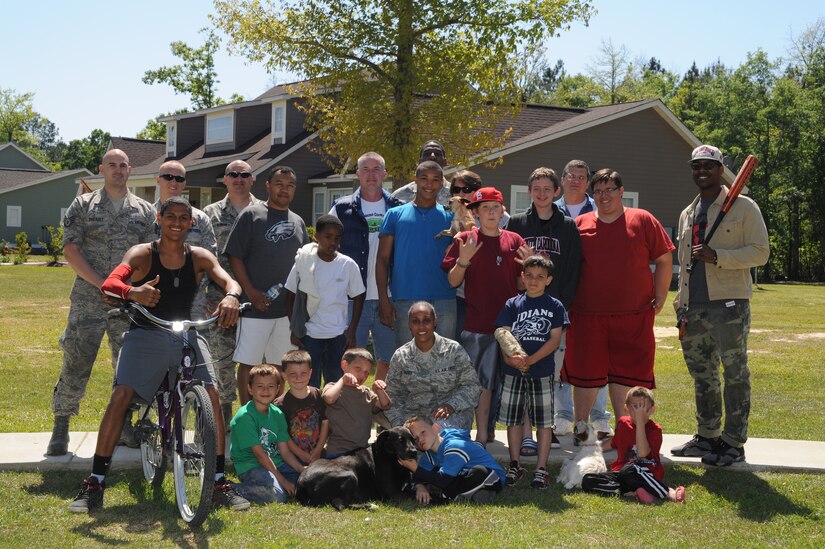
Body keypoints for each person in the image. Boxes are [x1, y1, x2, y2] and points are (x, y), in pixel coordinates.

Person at [68, 196, 248, 513]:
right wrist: (133, 291)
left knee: (212, 394)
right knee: (121, 394)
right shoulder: (142, 253)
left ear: (191, 222)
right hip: (145, 331)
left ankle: (218, 481)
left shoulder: (200, 256)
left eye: (183, 217)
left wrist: (232, 296)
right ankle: (94, 482)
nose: (177, 223)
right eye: (170, 217)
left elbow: (227, 278)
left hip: (189, 331)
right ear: (159, 218)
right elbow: (111, 283)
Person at [48, 149, 156, 456]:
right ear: (102, 169)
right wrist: (104, 284)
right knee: (76, 361)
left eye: (123, 165)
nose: (118, 170)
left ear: (130, 170)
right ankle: (61, 426)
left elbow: (150, 256)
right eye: (112, 165)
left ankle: (123, 426)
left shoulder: (145, 211)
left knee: (128, 367)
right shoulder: (82, 205)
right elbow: (71, 250)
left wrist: (129, 288)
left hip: (129, 304)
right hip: (88, 299)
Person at [670, 145, 769, 466]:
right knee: (703, 374)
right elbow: (685, 263)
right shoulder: (688, 212)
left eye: (708, 166)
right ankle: (707, 435)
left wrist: (719, 257)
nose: (702, 171)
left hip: (728, 305)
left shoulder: (743, 207)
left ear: (720, 169)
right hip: (693, 307)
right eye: (696, 166)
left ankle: (733, 442)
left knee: (735, 372)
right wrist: (680, 302)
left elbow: (760, 252)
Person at [562, 169, 674, 439]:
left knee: (628, 374)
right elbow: (568, 267)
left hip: (633, 315)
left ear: (622, 191)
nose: (604, 196)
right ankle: (580, 425)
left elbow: (663, 258)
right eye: (598, 191)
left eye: (610, 189)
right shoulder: (580, 224)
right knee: (586, 373)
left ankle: (627, 431)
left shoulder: (643, 219)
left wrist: (661, 294)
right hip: (588, 315)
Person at [442, 187, 527, 446]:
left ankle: (525, 436)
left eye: (496, 207)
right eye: (485, 208)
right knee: (483, 383)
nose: (491, 212)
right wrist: (463, 261)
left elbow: (523, 285)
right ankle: (480, 434)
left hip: (510, 324)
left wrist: (531, 266)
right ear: (475, 212)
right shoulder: (465, 239)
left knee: (517, 380)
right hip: (478, 323)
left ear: (503, 211)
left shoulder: (514, 240)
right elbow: (452, 281)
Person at [505, 167, 581, 453]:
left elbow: (573, 270)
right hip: (523, 310)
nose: (541, 194)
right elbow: (511, 267)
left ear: (556, 191)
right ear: (529, 191)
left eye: (547, 189)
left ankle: (545, 431)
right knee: (523, 369)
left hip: (554, 311)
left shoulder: (568, 226)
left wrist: (564, 308)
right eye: (536, 189)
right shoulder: (517, 223)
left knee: (549, 374)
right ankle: (525, 433)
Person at [224, 166, 309, 403]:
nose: (285, 189)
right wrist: (251, 293)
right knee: (249, 364)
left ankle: (274, 420)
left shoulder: (298, 222)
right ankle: (246, 419)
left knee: (280, 366)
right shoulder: (252, 215)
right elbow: (234, 257)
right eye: (280, 184)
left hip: (286, 311)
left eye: (290, 185)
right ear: (268, 186)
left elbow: (304, 265)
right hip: (254, 309)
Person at [495, 255, 568, 489]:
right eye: (529, 276)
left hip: (542, 370)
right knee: (513, 420)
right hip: (514, 372)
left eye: (540, 277)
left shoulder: (555, 305)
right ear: (522, 277)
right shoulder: (512, 304)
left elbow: (554, 340)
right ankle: (515, 464)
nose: (534, 280)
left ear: (549, 280)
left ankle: (541, 468)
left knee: (544, 422)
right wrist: (511, 359)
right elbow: (503, 335)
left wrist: (531, 360)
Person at [329, 152, 402, 381]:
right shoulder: (341, 209)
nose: (371, 175)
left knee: (389, 358)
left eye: (376, 169)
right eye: (366, 169)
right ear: (358, 173)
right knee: (350, 357)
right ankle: (351, 407)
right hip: (352, 298)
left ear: (384, 174)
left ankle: (377, 405)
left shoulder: (398, 209)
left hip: (388, 296)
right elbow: (327, 248)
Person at [203, 160, 265, 427]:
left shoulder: (266, 210)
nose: (239, 179)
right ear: (225, 180)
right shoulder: (209, 214)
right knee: (221, 359)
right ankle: (224, 414)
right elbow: (201, 256)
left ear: (252, 179)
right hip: (220, 300)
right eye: (233, 175)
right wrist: (203, 295)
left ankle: (256, 415)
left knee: (257, 361)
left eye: (245, 175)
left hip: (259, 300)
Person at [554, 160, 612, 439]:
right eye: (570, 176)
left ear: (587, 182)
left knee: (597, 357)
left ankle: (600, 417)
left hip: (594, 296)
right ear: (562, 180)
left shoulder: (600, 208)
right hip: (561, 296)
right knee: (562, 356)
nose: (575, 181)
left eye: (581, 177)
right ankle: (563, 415)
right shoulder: (552, 210)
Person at [377, 161, 456, 347]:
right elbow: (382, 260)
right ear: (415, 180)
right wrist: (383, 300)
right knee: (407, 361)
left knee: (445, 360)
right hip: (405, 297)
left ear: (442, 183)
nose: (429, 184)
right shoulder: (394, 214)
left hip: (444, 298)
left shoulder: (450, 217)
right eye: (424, 178)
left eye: (436, 180)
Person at [284, 215, 366, 388]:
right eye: (327, 237)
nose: (332, 242)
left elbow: (359, 296)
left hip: (338, 335)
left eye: (337, 238)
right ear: (316, 236)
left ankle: (332, 416)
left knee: (335, 381)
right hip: (310, 334)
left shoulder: (348, 265)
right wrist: (295, 327)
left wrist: (351, 330)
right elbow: (289, 295)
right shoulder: (304, 262)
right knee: (309, 383)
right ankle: (313, 415)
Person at [384, 302, 480, 430]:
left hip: (450, 416)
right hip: (414, 417)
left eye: (427, 320)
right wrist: (401, 426)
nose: (421, 326)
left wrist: (451, 405)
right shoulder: (401, 356)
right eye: (415, 321)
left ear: (435, 321)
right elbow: (393, 395)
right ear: (409, 324)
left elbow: (472, 386)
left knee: (437, 434)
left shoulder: (453, 350)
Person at [582, 387, 686, 504]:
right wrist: (592, 449)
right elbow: (614, 442)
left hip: (646, 472)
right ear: (626, 408)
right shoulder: (623, 423)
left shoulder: (655, 430)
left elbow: (642, 453)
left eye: (642, 407)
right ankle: (634, 492)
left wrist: (640, 422)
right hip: (622, 473)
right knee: (588, 480)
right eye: (634, 406)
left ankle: (667, 492)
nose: (638, 411)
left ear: (652, 409)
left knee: (629, 470)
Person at [231, 363, 307, 503]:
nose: (265, 390)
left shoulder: (277, 413)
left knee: (307, 482)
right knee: (277, 495)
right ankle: (230, 489)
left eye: (271, 386)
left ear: (278, 389)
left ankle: (275, 486)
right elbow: (260, 456)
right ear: (250, 388)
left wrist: (303, 470)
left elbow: (285, 452)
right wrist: (283, 481)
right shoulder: (245, 417)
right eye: (260, 386)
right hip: (252, 467)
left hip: (277, 464)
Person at [152, 161, 217, 323]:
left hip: (193, 304)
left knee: (194, 347)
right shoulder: (146, 216)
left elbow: (211, 260)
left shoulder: (200, 219)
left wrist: (193, 289)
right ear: (158, 180)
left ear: (185, 184)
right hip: (152, 301)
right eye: (168, 177)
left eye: (179, 179)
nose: (174, 182)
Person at [400, 416, 505, 504]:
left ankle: (446, 495)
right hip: (460, 478)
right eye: (415, 439)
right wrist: (420, 486)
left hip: (491, 477)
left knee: (479, 472)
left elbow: (443, 480)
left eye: (423, 432)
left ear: (435, 429)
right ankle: (474, 494)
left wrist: (414, 468)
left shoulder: (454, 446)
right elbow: (418, 478)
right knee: (433, 475)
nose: (420, 440)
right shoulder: (428, 456)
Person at [322, 348, 391, 457]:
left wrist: (379, 389)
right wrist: (343, 380)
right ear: (344, 365)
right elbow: (329, 398)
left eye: (366, 373)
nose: (362, 375)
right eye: (358, 369)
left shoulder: (366, 392)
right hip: (338, 451)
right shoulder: (333, 387)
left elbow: (385, 405)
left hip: (361, 451)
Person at [274, 350, 329, 465]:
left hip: (319, 454)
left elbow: (325, 423)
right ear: (284, 375)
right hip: (293, 458)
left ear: (310, 373)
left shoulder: (318, 395)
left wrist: (318, 449)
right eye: (293, 374)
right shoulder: (279, 405)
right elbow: (283, 435)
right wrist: (300, 454)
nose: (298, 378)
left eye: (303, 373)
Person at [391, 141, 452, 206]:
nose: (432, 156)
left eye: (437, 154)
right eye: (427, 154)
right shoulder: (399, 196)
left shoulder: (456, 193)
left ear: (445, 161)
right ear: (420, 161)